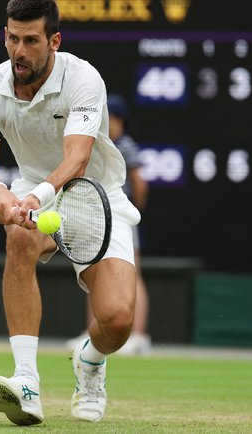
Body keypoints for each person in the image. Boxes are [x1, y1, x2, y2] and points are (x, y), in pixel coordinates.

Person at [0, 0, 140, 425]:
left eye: (30, 41)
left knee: (117, 322)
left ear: (55, 41)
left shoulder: (84, 79)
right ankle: (26, 381)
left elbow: (77, 159)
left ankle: (91, 361)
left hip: (95, 194)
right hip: (31, 187)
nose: (18, 52)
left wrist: (34, 197)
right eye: (12, 39)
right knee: (19, 237)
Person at [66, 94, 152, 355]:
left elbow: (140, 183)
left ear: (119, 120)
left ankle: (138, 336)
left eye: (109, 119)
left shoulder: (124, 145)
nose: (104, 123)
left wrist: (134, 212)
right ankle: (92, 331)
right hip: (95, 216)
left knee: (131, 274)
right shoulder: (97, 145)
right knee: (95, 274)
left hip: (121, 217)